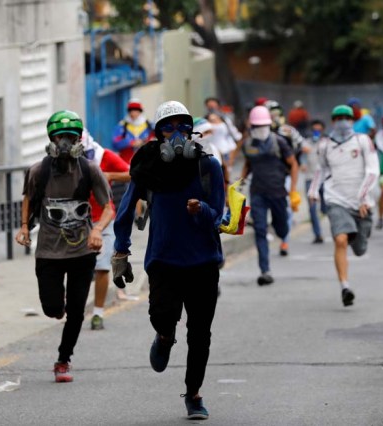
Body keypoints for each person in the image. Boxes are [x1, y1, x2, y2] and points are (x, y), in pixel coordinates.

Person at [112, 101, 225, 420]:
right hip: (163, 261)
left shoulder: (208, 165)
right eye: (169, 127)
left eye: (183, 126)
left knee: (200, 333)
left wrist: (202, 210)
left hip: (203, 262)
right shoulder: (147, 167)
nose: (177, 134)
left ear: (192, 130)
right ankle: (164, 336)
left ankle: (194, 394)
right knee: (163, 317)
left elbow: (220, 216)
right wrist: (121, 251)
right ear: (157, 133)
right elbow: (125, 211)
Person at [16, 110, 114, 382]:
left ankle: (63, 361)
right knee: (52, 309)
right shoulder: (38, 170)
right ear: (51, 138)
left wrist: (96, 230)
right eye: (60, 137)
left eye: (71, 138)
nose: (65, 143)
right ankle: (60, 305)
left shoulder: (90, 169)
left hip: (82, 250)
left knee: (76, 312)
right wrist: (24, 227)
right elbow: (27, 197)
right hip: (48, 250)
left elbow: (108, 207)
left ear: (79, 140)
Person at [309, 105, 379, 307]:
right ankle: (345, 287)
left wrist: (364, 197)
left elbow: (373, 171)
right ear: (333, 121)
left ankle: (361, 233)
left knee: (359, 250)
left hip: (361, 203)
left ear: (352, 120)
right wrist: (314, 191)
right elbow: (321, 169)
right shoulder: (324, 145)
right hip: (335, 199)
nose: (342, 121)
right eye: (338, 117)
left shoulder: (363, 140)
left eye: (346, 118)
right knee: (340, 240)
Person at [240, 106, 300, 285]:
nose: (260, 129)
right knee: (260, 230)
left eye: (263, 125)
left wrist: (293, 189)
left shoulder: (279, 142)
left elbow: (294, 164)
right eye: (256, 126)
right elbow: (247, 166)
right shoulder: (249, 145)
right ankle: (265, 270)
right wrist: (238, 186)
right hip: (258, 193)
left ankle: (281, 230)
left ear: (269, 124)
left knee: (282, 228)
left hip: (278, 192)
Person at [80, 129, 134, 331]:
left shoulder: (104, 156)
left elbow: (131, 173)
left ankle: (97, 313)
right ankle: (75, 309)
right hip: (76, 221)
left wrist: (109, 175)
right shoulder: (64, 160)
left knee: (102, 266)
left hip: (104, 217)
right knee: (78, 268)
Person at [266, 100, 305, 256]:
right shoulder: (259, 132)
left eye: (276, 112)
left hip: (285, 175)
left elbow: (299, 146)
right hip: (265, 177)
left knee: (287, 209)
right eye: (270, 112)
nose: (274, 116)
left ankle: (285, 241)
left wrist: (297, 163)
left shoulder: (288, 131)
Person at [304, 119, 327, 244]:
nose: (316, 132)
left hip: (324, 180)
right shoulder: (306, 143)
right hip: (310, 178)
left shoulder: (328, 143)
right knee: (312, 208)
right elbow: (296, 156)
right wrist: (301, 163)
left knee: (325, 208)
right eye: (314, 130)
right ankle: (318, 234)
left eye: (319, 130)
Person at [111, 99, 153, 164]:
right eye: (131, 110)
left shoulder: (149, 125)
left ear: (140, 111)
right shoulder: (121, 126)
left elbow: (156, 140)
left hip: (146, 162)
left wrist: (144, 142)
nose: (133, 113)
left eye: (136, 110)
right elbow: (115, 143)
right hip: (127, 163)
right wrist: (131, 143)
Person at [204, 97, 242, 167]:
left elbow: (237, 136)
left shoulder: (225, 120)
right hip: (209, 153)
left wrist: (233, 155)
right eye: (210, 106)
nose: (212, 109)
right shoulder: (203, 122)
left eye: (214, 106)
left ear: (218, 106)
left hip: (225, 153)